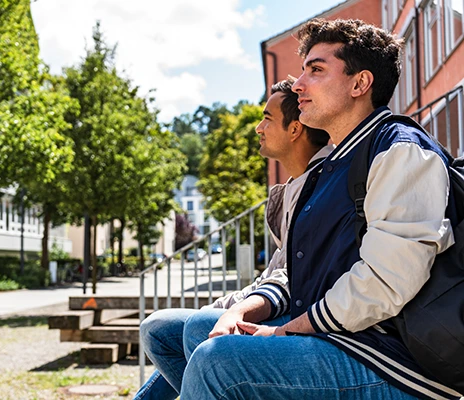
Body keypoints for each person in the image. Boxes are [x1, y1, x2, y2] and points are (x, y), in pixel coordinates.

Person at [179, 19, 462, 400]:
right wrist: (248, 309)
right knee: (195, 331)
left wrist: (285, 330)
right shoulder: (332, 166)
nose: (297, 85)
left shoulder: (400, 150)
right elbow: (301, 273)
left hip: (392, 358)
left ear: (359, 84)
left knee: (217, 360)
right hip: (344, 337)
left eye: (315, 70)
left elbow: (387, 281)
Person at [134, 77, 332, 400]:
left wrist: (232, 310)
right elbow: (272, 277)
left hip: (301, 318)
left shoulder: (323, 186)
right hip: (277, 305)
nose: (258, 128)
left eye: (267, 119)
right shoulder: (294, 190)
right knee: (156, 329)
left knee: (198, 330)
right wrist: (225, 306)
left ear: (295, 130)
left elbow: (292, 280)